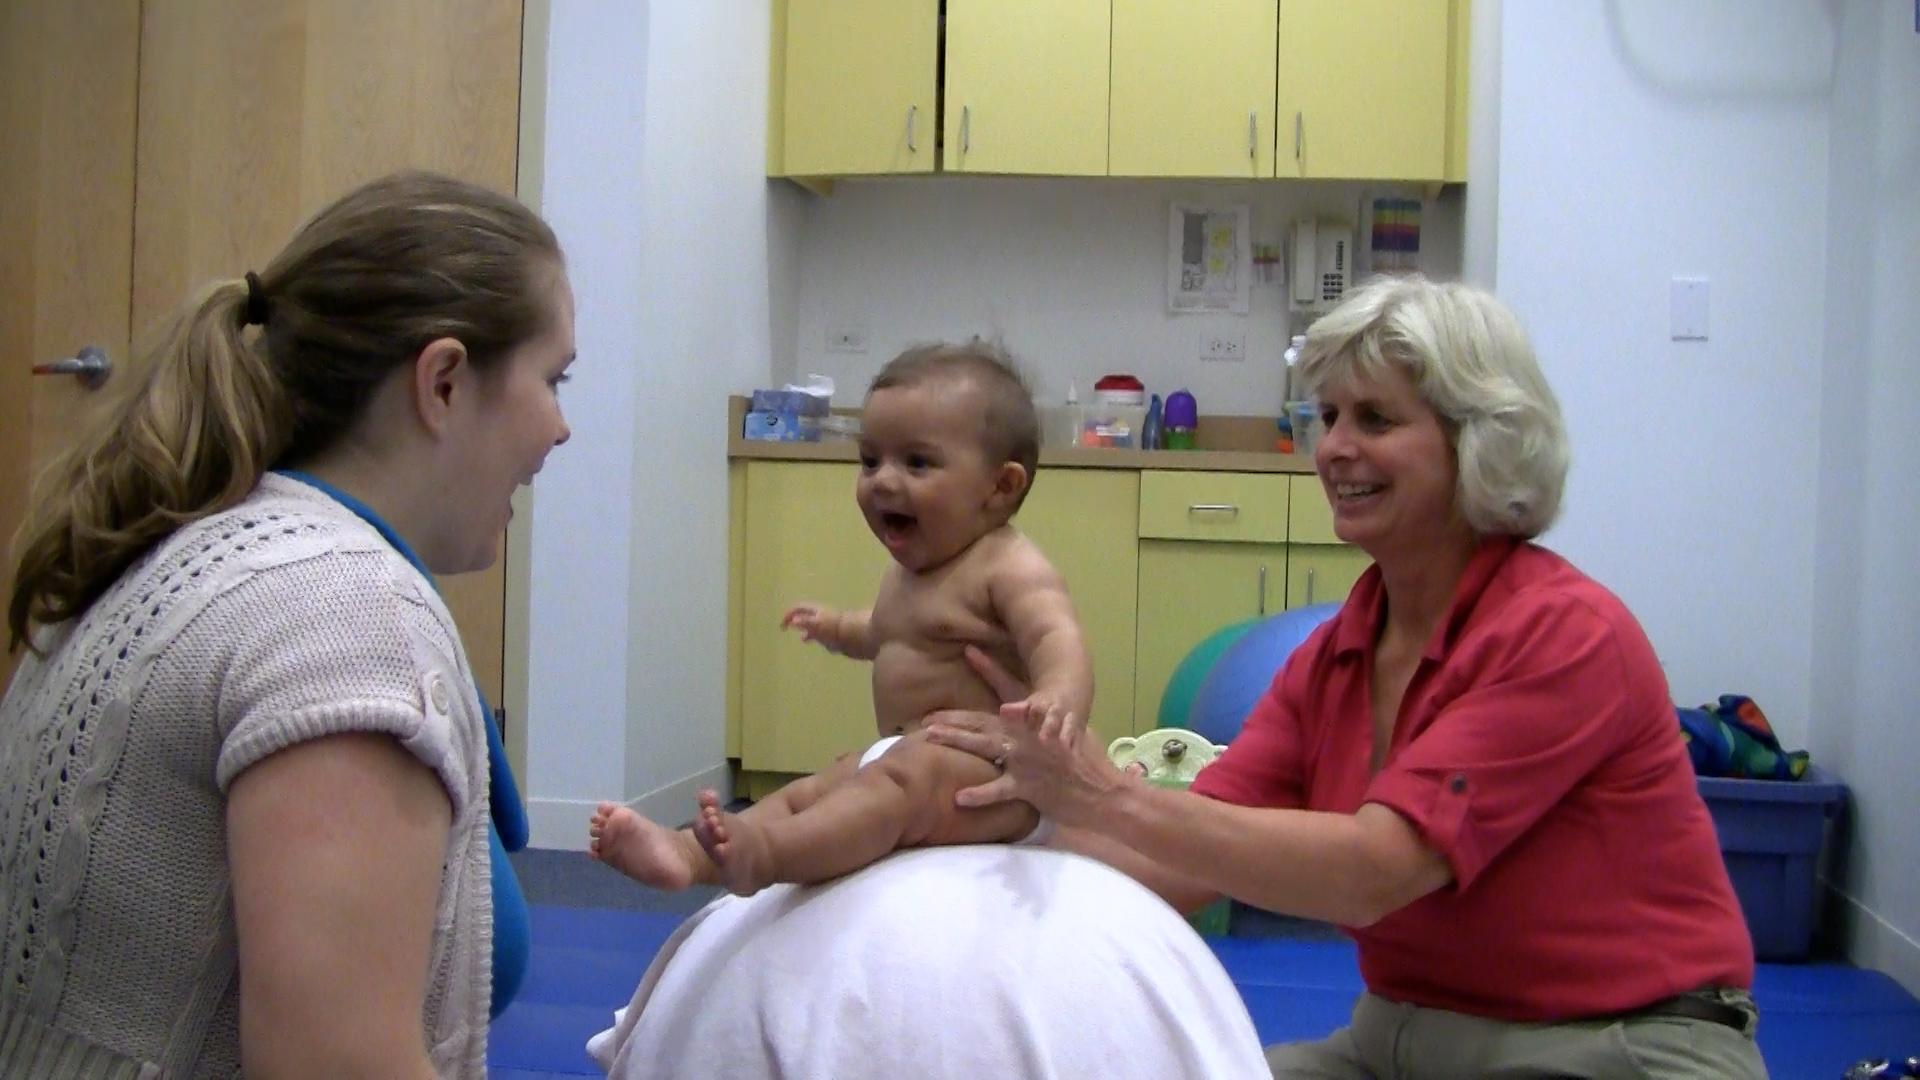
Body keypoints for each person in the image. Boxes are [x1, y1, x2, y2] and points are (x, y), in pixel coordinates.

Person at [928, 276, 1767, 1079]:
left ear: (1478, 440)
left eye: (1375, 418)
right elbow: (1190, 856)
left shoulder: (1563, 633)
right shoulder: (1337, 655)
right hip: (1401, 1046)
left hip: (1618, 1049)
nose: (1334, 447)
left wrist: (1100, 794)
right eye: (1327, 415)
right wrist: (995, 812)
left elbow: (1375, 872)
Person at [0, 171, 573, 1078]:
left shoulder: (185, 542)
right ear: (446, 383)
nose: (560, 428)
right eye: (554, 379)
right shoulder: (343, 612)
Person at [589, 341, 1092, 897]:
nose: (882, 480)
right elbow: (881, 633)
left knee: (898, 785)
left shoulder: (1007, 564)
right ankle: (690, 853)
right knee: (815, 790)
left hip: (996, 775)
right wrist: (837, 628)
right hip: (905, 752)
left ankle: (767, 856)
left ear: (1000, 487)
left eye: (917, 462)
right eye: (870, 460)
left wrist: (1057, 697)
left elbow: (1056, 636)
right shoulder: (910, 574)